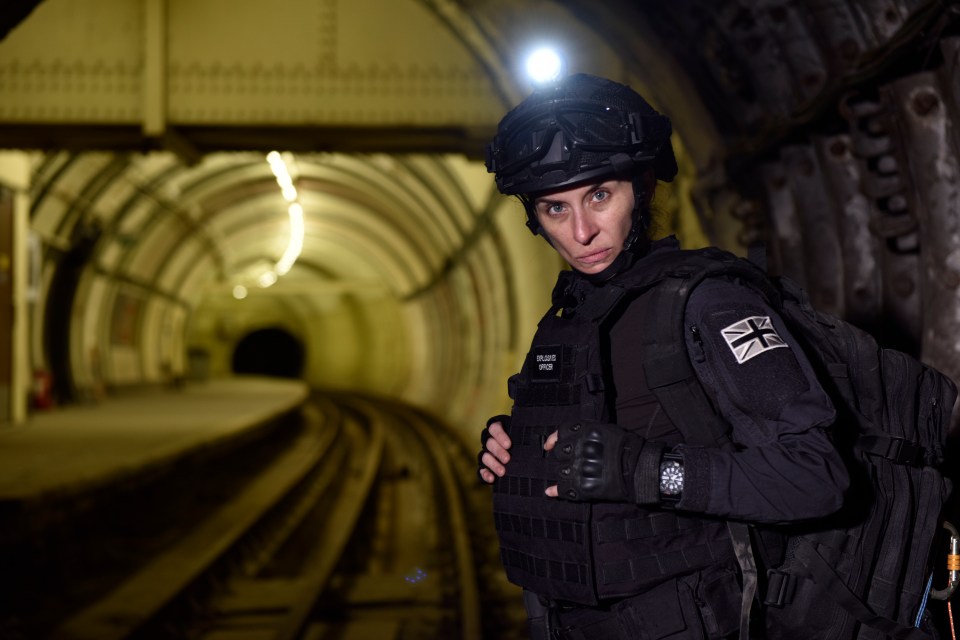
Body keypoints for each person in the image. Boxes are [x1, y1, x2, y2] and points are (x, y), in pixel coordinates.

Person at [477, 73, 850, 640]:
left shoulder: (710, 303)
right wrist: (521, 444)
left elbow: (816, 475)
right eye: (556, 208)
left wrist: (646, 471)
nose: (581, 232)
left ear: (643, 187)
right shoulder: (570, 314)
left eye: (600, 195)